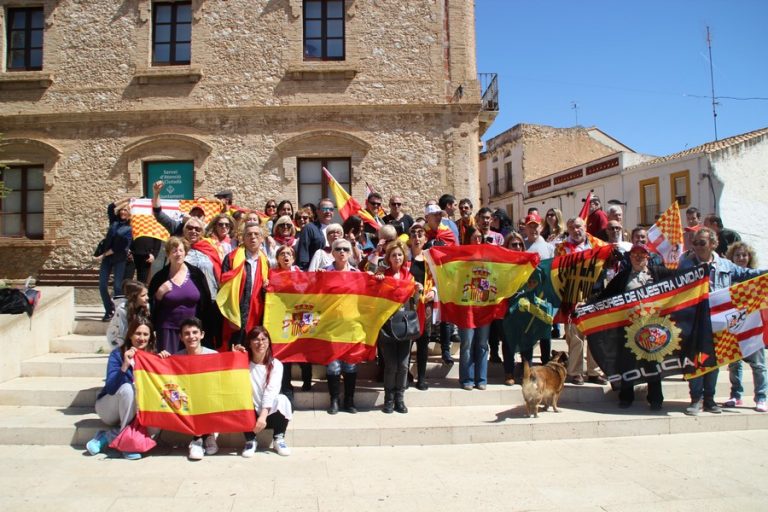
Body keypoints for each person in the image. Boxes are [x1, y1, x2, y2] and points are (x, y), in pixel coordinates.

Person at [679, 228, 764, 416]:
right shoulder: (685, 264)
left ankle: (709, 399)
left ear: (713, 244)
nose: (698, 247)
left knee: (714, 362)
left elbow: (748, 274)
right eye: (695, 243)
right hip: (694, 324)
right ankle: (696, 399)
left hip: (719, 325)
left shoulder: (726, 264)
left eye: (702, 243)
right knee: (696, 361)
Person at [596, 244, 675, 410]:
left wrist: (700, 271)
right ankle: (626, 397)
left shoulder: (658, 272)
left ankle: (655, 399)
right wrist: (586, 305)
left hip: (653, 328)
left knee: (652, 364)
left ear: (648, 257)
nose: (638, 257)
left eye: (642, 254)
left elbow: (680, 279)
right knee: (627, 363)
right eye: (634, 254)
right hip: (629, 328)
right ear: (630, 257)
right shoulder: (622, 277)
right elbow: (605, 296)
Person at [86, 318, 158, 460]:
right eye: (137, 333)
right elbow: (112, 388)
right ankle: (127, 444)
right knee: (127, 388)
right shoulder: (117, 355)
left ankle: (107, 436)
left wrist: (164, 361)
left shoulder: (153, 357)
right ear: (130, 335)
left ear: (150, 337)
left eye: (145, 334)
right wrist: (124, 366)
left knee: (157, 424)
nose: (141, 338)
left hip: (136, 411)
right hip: (110, 408)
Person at [555, 217, 607, 386]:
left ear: (585, 227)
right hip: (572, 297)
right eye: (571, 227)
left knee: (595, 335)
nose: (575, 230)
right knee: (575, 337)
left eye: (578, 226)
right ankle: (575, 372)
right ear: (568, 230)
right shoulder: (561, 249)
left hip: (594, 295)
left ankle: (594, 372)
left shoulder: (598, 245)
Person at [233, 327, 293, 457]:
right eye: (255, 339)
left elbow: (271, 391)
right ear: (249, 343)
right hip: (250, 412)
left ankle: (279, 438)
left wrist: (263, 416)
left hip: (268, 412)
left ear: (268, 342)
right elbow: (231, 381)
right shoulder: (244, 363)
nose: (260, 343)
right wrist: (234, 357)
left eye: (263, 339)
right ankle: (250, 440)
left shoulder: (276, 364)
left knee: (282, 400)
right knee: (239, 400)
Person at [722, 242, 766, 412]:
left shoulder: (757, 279)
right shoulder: (727, 277)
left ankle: (761, 397)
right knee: (734, 364)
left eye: (744, 255)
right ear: (731, 258)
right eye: (737, 255)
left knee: (759, 365)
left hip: (754, 327)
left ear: (750, 258)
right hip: (734, 326)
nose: (741, 258)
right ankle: (736, 395)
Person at [375, 240, 419, 414]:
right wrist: (377, 280)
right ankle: (388, 399)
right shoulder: (382, 275)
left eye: (400, 254)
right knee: (391, 365)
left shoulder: (409, 276)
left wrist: (417, 289)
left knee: (403, 365)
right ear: (389, 258)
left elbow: (414, 299)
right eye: (393, 255)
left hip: (404, 325)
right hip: (387, 325)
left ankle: (400, 399)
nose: (397, 257)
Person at [148, 237, 213, 353]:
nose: (178, 254)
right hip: (168, 331)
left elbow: (206, 303)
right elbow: (149, 306)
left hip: (192, 332)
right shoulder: (160, 277)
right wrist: (158, 294)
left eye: (181, 250)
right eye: (174, 251)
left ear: (185, 252)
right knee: (170, 366)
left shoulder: (196, 275)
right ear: (168, 254)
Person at [320, 239, 361, 414]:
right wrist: (317, 279)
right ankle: (334, 401)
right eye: (338, 249)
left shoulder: (357, 274)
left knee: (350, 365)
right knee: (333, 366)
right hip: (331, 326)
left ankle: (349, 401)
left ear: (350, 253)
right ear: (333, 252)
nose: (342, 252)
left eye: (346, 249)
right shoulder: (324, 273)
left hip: (351, 325)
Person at [174, 317, 220, 460]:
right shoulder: (175, 358)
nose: (191, 336)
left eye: (195, 332)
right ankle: (199, 439)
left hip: (209, 399)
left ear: (202, 334)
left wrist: (237, 355)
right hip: (186, 401)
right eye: (187, 333)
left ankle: (205, 435)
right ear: (181, 337)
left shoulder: (214, 356)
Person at [218, 222, 269, 349]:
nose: (253, 237)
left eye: (256, 234)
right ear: (243, 238)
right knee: (234, 352)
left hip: (257, 313)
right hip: (236, 313)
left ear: (262, 238)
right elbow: (224, 289)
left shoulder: (265, 261)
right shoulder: (231, 258)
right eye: (249, 234)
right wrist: (230, 315)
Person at [272, 245, 313, 398]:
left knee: (302, 350)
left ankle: (307, 380)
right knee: (285, 352)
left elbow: (309, 292)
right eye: (282, 254)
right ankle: (286, 385)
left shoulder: (302, 274)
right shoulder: (272, 275)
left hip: (302, 316)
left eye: (288, 253)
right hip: (281, 318)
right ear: (277, 259)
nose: (285, 256)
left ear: (294, 258)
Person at [408, 222, 436, 390]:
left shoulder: (430, 259)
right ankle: (405, 374)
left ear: (425, 239)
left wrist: (434, 290)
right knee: (407, 342)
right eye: (414, 235)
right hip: (407, 305)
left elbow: (439, 279)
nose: (417, 237)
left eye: (420, 234)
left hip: (424, 304)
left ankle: (422, 378)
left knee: (423, 342)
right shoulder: (404, 258)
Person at [96, 199, 133, 321]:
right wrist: (126, 200)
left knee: (118, 286)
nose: (123, 212)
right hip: (107, 259)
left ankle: (119, 311)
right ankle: (109, 309)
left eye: (126, 210)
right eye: (122, 209)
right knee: (102, 285)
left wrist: (105, 254)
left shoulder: (129, 228)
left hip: (119, 258)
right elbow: (110, 207)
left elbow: (123, 246)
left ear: (129, 214)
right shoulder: (114, 222)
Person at [106, 279, 150, 348]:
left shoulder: (146, 307)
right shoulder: (122, 309)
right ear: (134, 297)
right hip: (118, 338)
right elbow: (122, 331)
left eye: (147, 294)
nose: (147, 298)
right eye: (143, 295)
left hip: (134, 337)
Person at [297, 198, 336, 270]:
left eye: (331, 209)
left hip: (333, 273)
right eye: (324, 209)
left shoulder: (336, 229)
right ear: (317, 211)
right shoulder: (309, 228)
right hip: (315, 273)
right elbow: (303, 254)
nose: (328, 212)